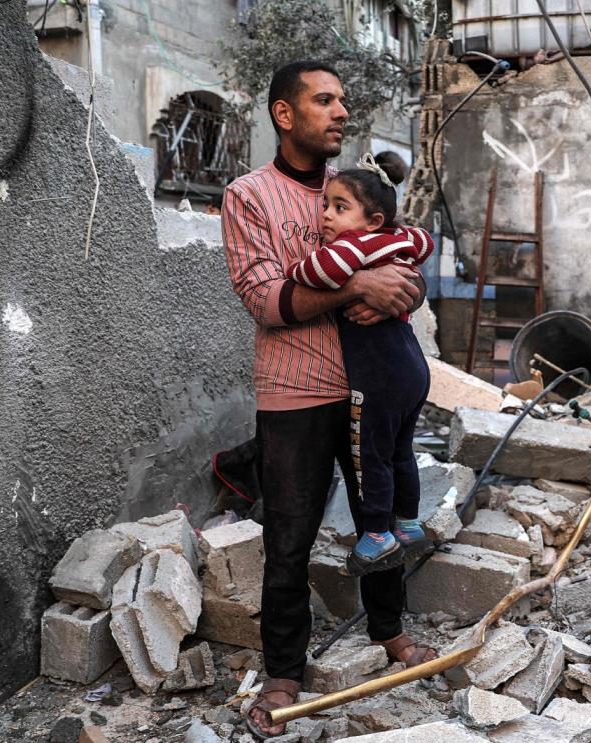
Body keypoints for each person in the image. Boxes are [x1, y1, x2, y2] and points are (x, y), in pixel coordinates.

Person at [221, 61, 436, 739]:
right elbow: (266, 299)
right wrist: (357, 288)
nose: (341, 111)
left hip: (372, 388)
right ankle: (283, 671)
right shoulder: (249, 195)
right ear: (285, 115)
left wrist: (403, 289)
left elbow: (406, 270)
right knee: (288, 538)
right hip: (294, 393)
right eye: (324, 100)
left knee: (384, 514)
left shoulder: (362, 190)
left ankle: (392, 632)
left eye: (343, 100)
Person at [283, 152, 434, 577]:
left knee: (368, 455)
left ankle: (376, 535)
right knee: (401, 450)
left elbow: (314, 272)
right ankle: (408, 524)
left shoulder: (354, 247)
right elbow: (425, 241)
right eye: (326, 205)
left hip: (378, 372)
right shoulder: (397, 240)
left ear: (372, 219)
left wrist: (294, 267)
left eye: (340, 207)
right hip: (410, 365)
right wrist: (398, 240)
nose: (326, 216)